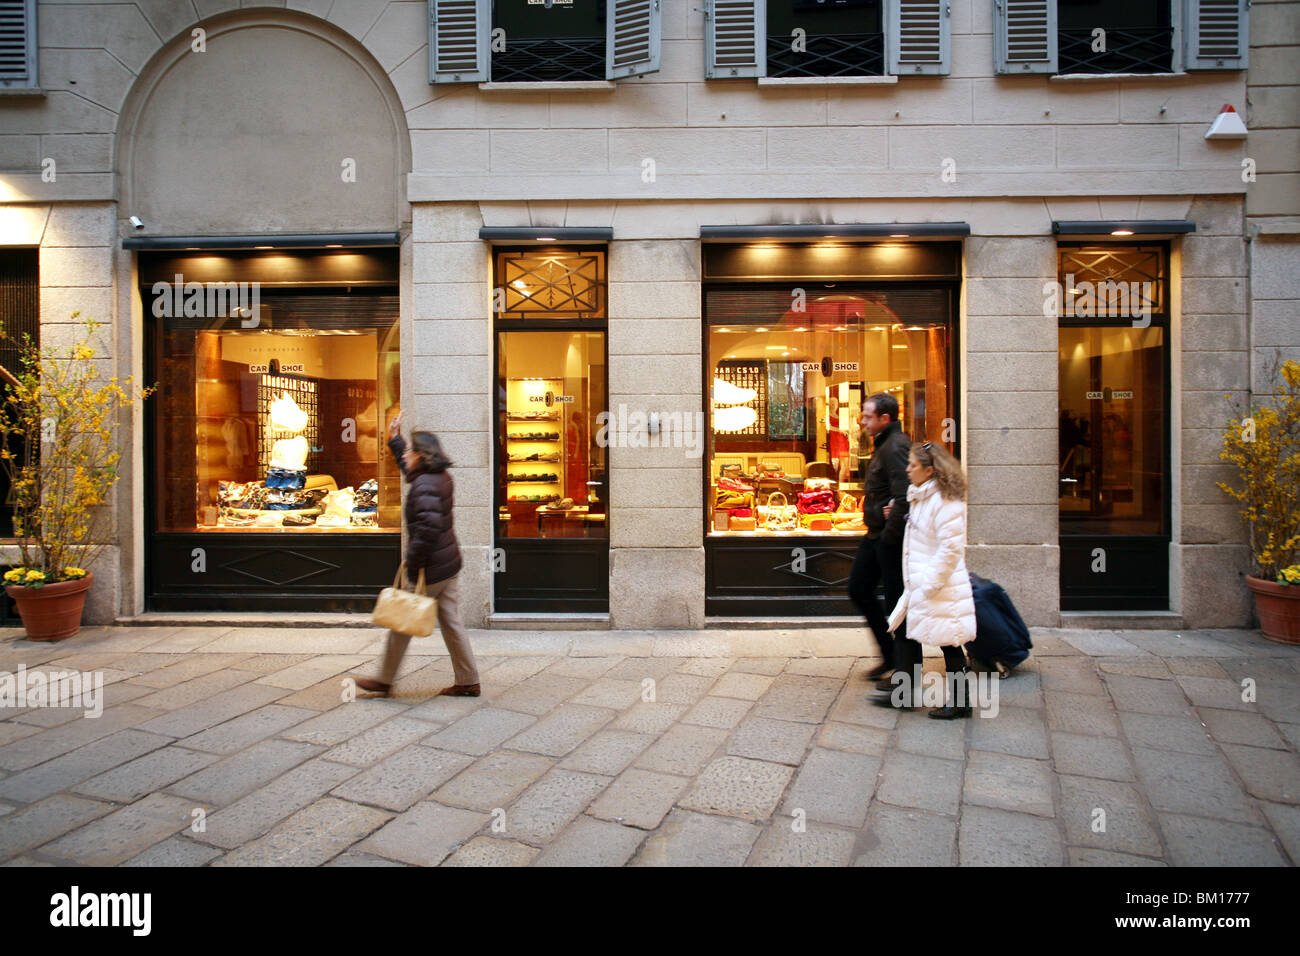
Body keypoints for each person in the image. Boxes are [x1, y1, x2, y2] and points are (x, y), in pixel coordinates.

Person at [353, 412, 480, 698]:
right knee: (451, 622)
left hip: (431, 566)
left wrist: (413, 565)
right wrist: (395, 440)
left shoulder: (425, 485)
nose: (407, 454)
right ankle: (468, 680)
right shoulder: (437, 476)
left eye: (410, 450)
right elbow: (410, 470)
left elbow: (427, 529)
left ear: (422, 455)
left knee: (401, 620)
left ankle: (384, 679)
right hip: (448, 563)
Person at [875, 441, 978, 719]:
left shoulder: (945, 500)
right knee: (910, 631)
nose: (907, 469)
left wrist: (927, 582)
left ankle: (959, 702)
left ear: (930, 470)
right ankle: (908, 693)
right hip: (922, 582)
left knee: (950, 641)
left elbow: (950, 549)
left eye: (913, 465)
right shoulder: (922, 495)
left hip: (939, 584)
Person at [847, 392, 911, 682]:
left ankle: (904, 669)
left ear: (885, 418)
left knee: (897, 604)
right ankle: (891, 655)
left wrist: (889, 537)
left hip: (887, 539)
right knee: (859, 589)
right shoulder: (884, 444)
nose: (862, 421)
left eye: (868, 416)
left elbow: (904, 496)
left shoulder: (895, 446)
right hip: (876, 534)